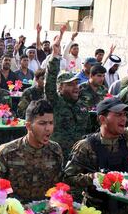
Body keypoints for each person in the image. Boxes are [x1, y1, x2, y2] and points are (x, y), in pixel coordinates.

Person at [64, 97, 128, 213]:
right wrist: (93, 178)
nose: (124, 119)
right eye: (118, 115)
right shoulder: (86, 146)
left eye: (125, 114)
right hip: (96, 209)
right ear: (102, 119)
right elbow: (67, 178)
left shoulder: (127, 138)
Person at [0, 99, 63, 203]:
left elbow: (58, 187)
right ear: (28, 126)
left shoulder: (55, 150)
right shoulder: (6, 152)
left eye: (51, 123)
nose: (48, 129)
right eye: (42, 123)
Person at [45, 29, 90, 159]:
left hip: (78, 158)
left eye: (76, 83)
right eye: (70, 84)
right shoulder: (56, 102)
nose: (75, 87)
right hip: (57, 156)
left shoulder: (82, 106)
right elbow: (50, 81)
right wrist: (55, 55)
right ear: (60, 87)